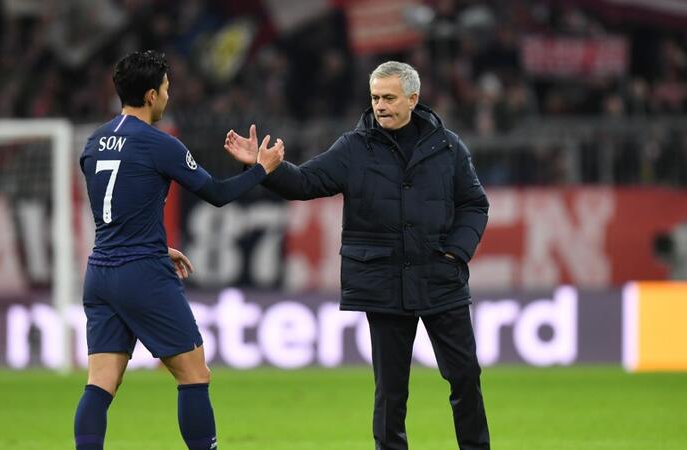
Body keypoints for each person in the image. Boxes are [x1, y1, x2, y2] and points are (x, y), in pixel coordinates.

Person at [225, 61, 490, 450]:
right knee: (391, 391)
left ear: (413, 99)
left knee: (465, 377)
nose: (380, 105)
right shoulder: (353, 147)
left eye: (389, 97)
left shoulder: (448, 147)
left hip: (440, 278)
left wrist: (456, 253)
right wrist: (266, 170)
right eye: (375, 97)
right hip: (384, 282)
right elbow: (306, 182)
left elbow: (474, 204)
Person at [75, 50, 283, 450]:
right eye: (166, 89)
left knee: (100, 383)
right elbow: (217, 194)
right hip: (142, 274)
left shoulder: (93, 142)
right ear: (151, 95)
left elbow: (116, 209)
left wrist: (154, 244)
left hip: (100, 272)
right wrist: (261, 169)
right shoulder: (160, 144)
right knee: (194, 375)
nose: (169, 97)